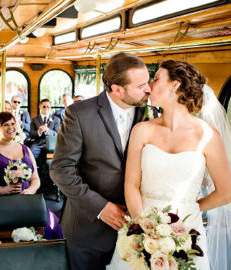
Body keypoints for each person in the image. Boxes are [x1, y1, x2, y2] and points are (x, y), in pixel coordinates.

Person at [108, 60, 231, 269]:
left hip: (186, 232)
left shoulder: (208, 136)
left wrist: (189, 209)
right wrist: (144, 228)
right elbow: (131, 185)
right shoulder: (142, 130)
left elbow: (227, 193)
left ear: (175, 85)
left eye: (156, 79)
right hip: (142, 228)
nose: (149, 86)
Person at [50, 52, 151, 270]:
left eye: (148, 82)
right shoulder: (79, 113)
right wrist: (100, 207)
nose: (148, 89)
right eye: (141, 85)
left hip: (139, 228)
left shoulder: (151, 112)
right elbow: (61, 170)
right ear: (117, 89)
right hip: (89, 228)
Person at [0, 112, 63, 239]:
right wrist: (3, 190)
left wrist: (29, 191)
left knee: (52, 225)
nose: (10, 127)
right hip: (2, 203)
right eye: (5, 125)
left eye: (12, 123)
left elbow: (35, 179)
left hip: (27, 201)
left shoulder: (25, 149)